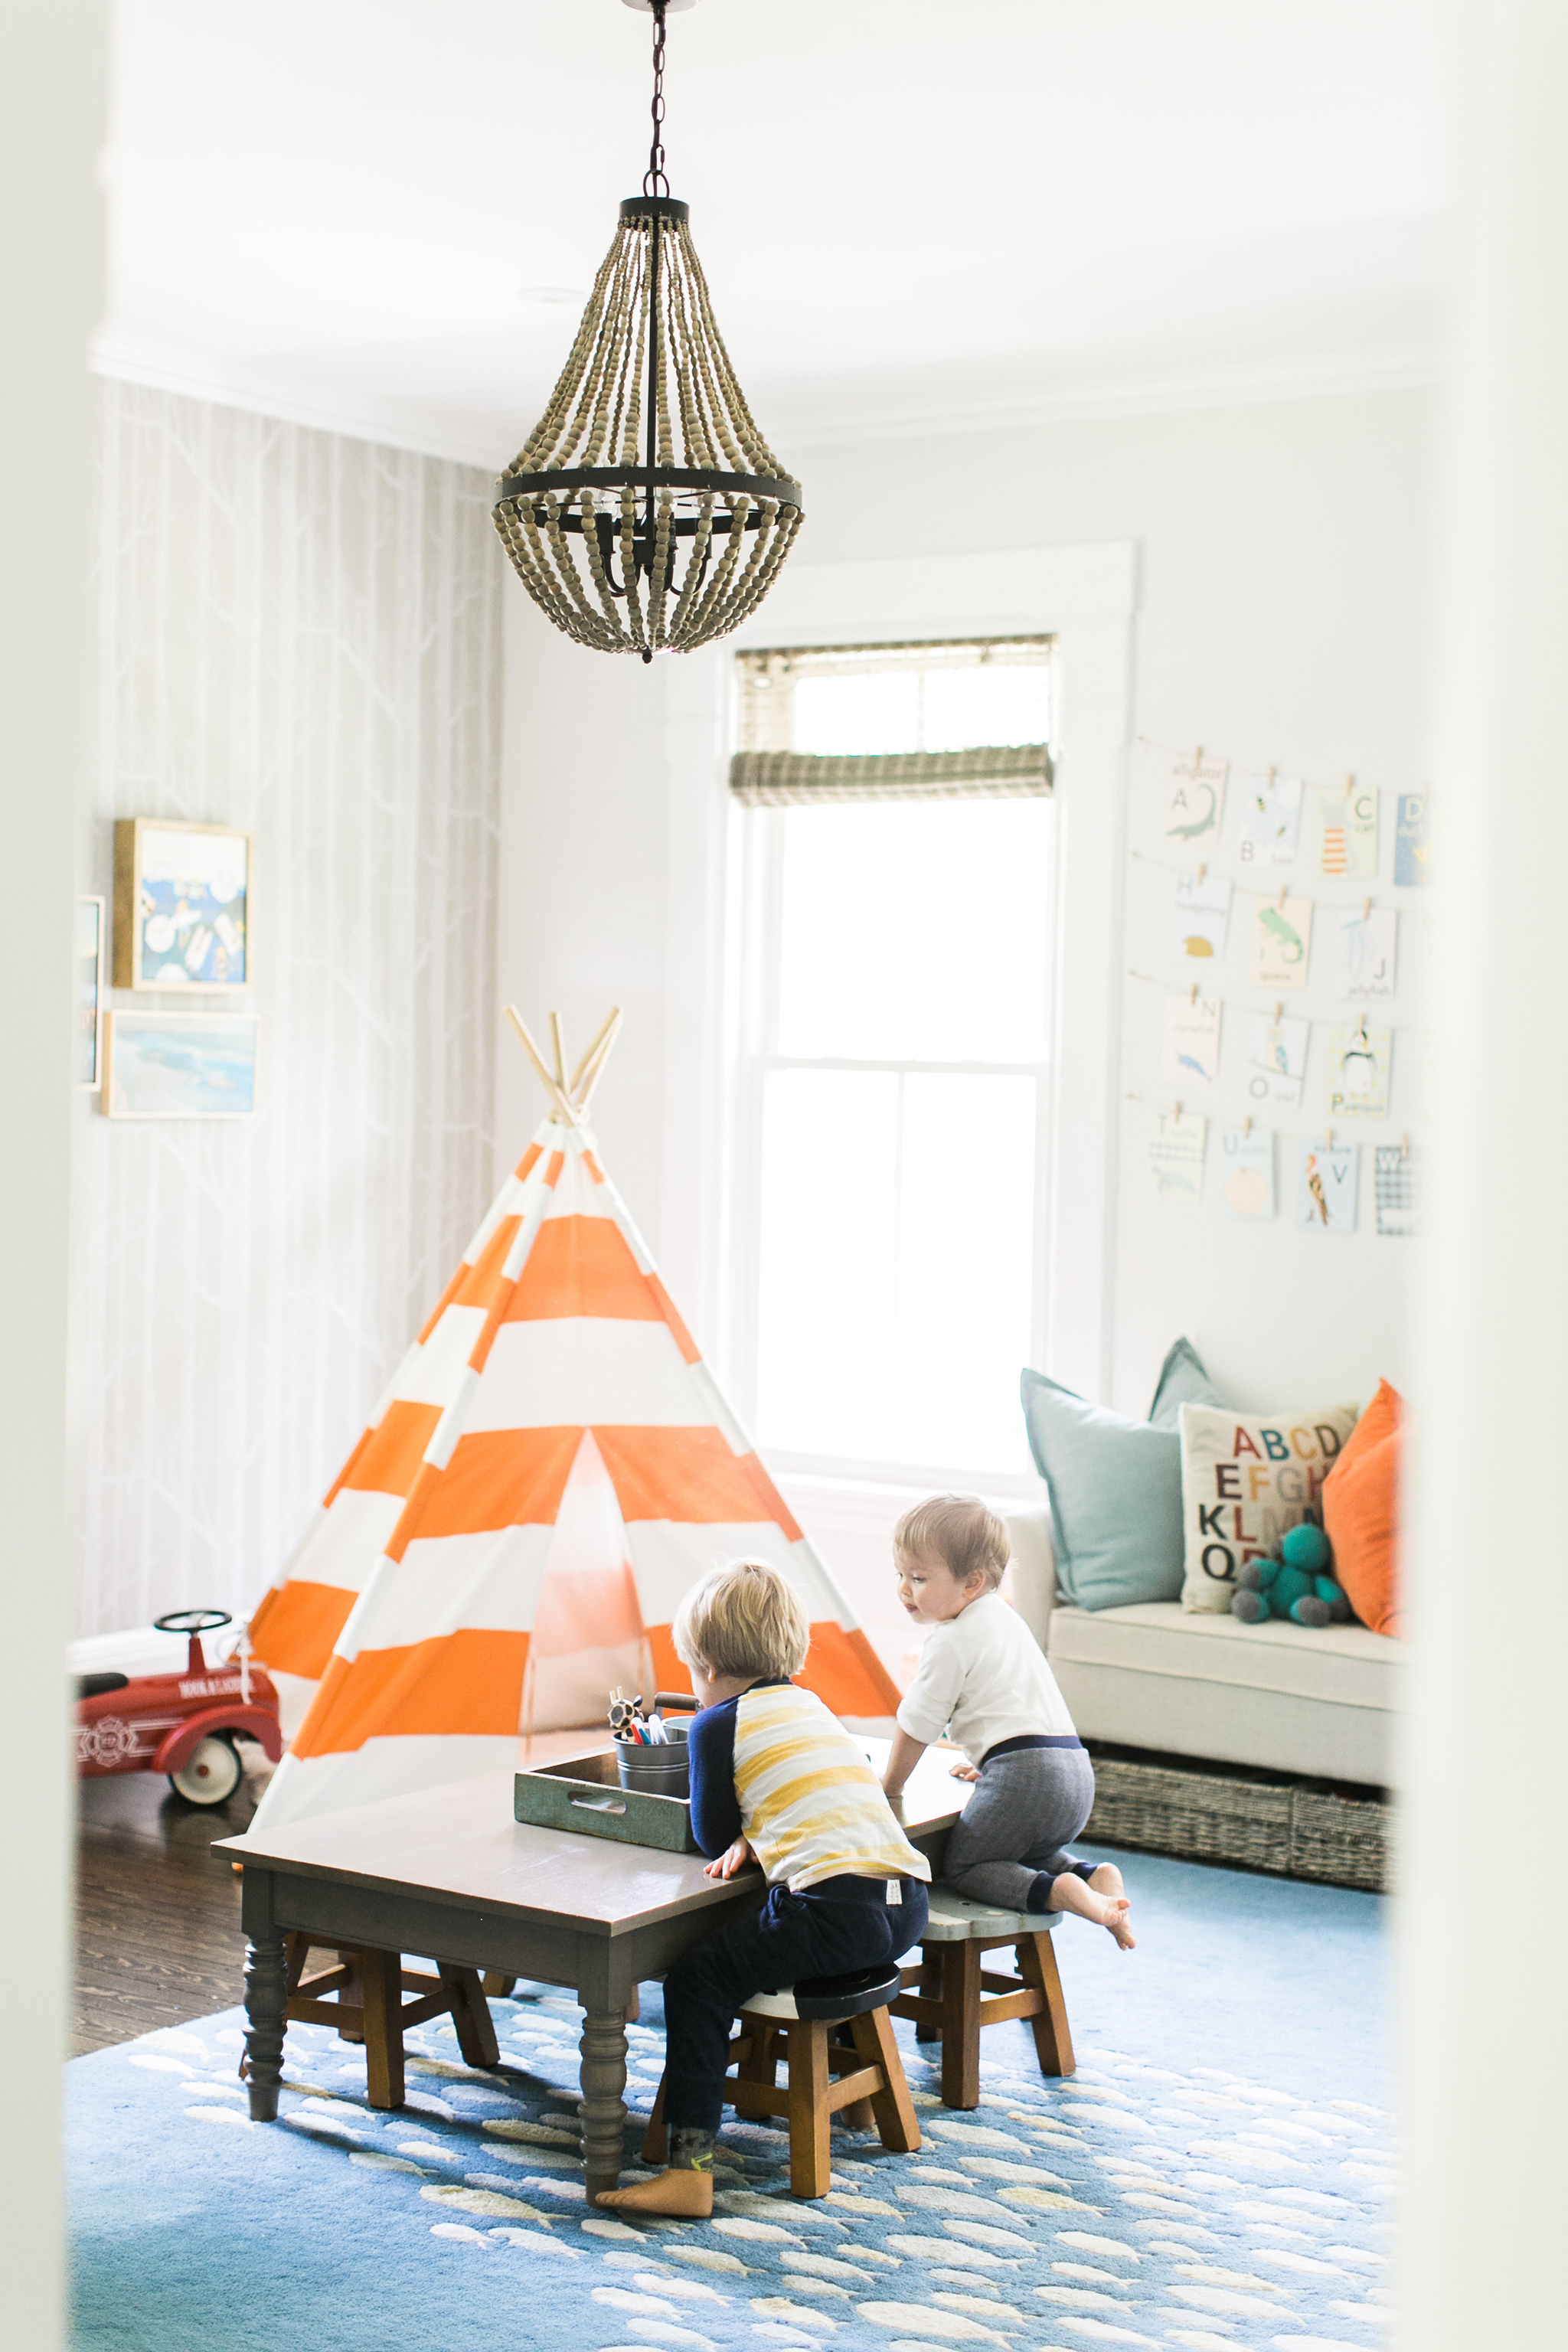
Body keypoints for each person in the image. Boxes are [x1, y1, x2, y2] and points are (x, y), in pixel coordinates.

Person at [593, 1557, 931, 2219]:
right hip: (905, 1901)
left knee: (698, 1979)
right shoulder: (813, 1706)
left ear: (710, 1671)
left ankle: (690, 2172)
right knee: (763, 1946)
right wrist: (759, 1832)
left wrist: (741, 1833)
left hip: (836, 1907)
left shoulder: (717, 1723)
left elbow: (707, 1831)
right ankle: (855, 2102)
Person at [880, 1494, 1135, 1951]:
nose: (904, 1589)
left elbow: (917, 1721)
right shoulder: (1005, 1619)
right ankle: (1092, 1876)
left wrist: (890, 1787)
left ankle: (1062, 1892)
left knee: (967, 1867)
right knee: (1022, 1854)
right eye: (900, 1574)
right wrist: (989, 1760)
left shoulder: (951, 1638)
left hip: (1027, 1778)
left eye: (918, 1578)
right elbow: (1011, 1702)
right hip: (1074, 1772)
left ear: (971, 1583)